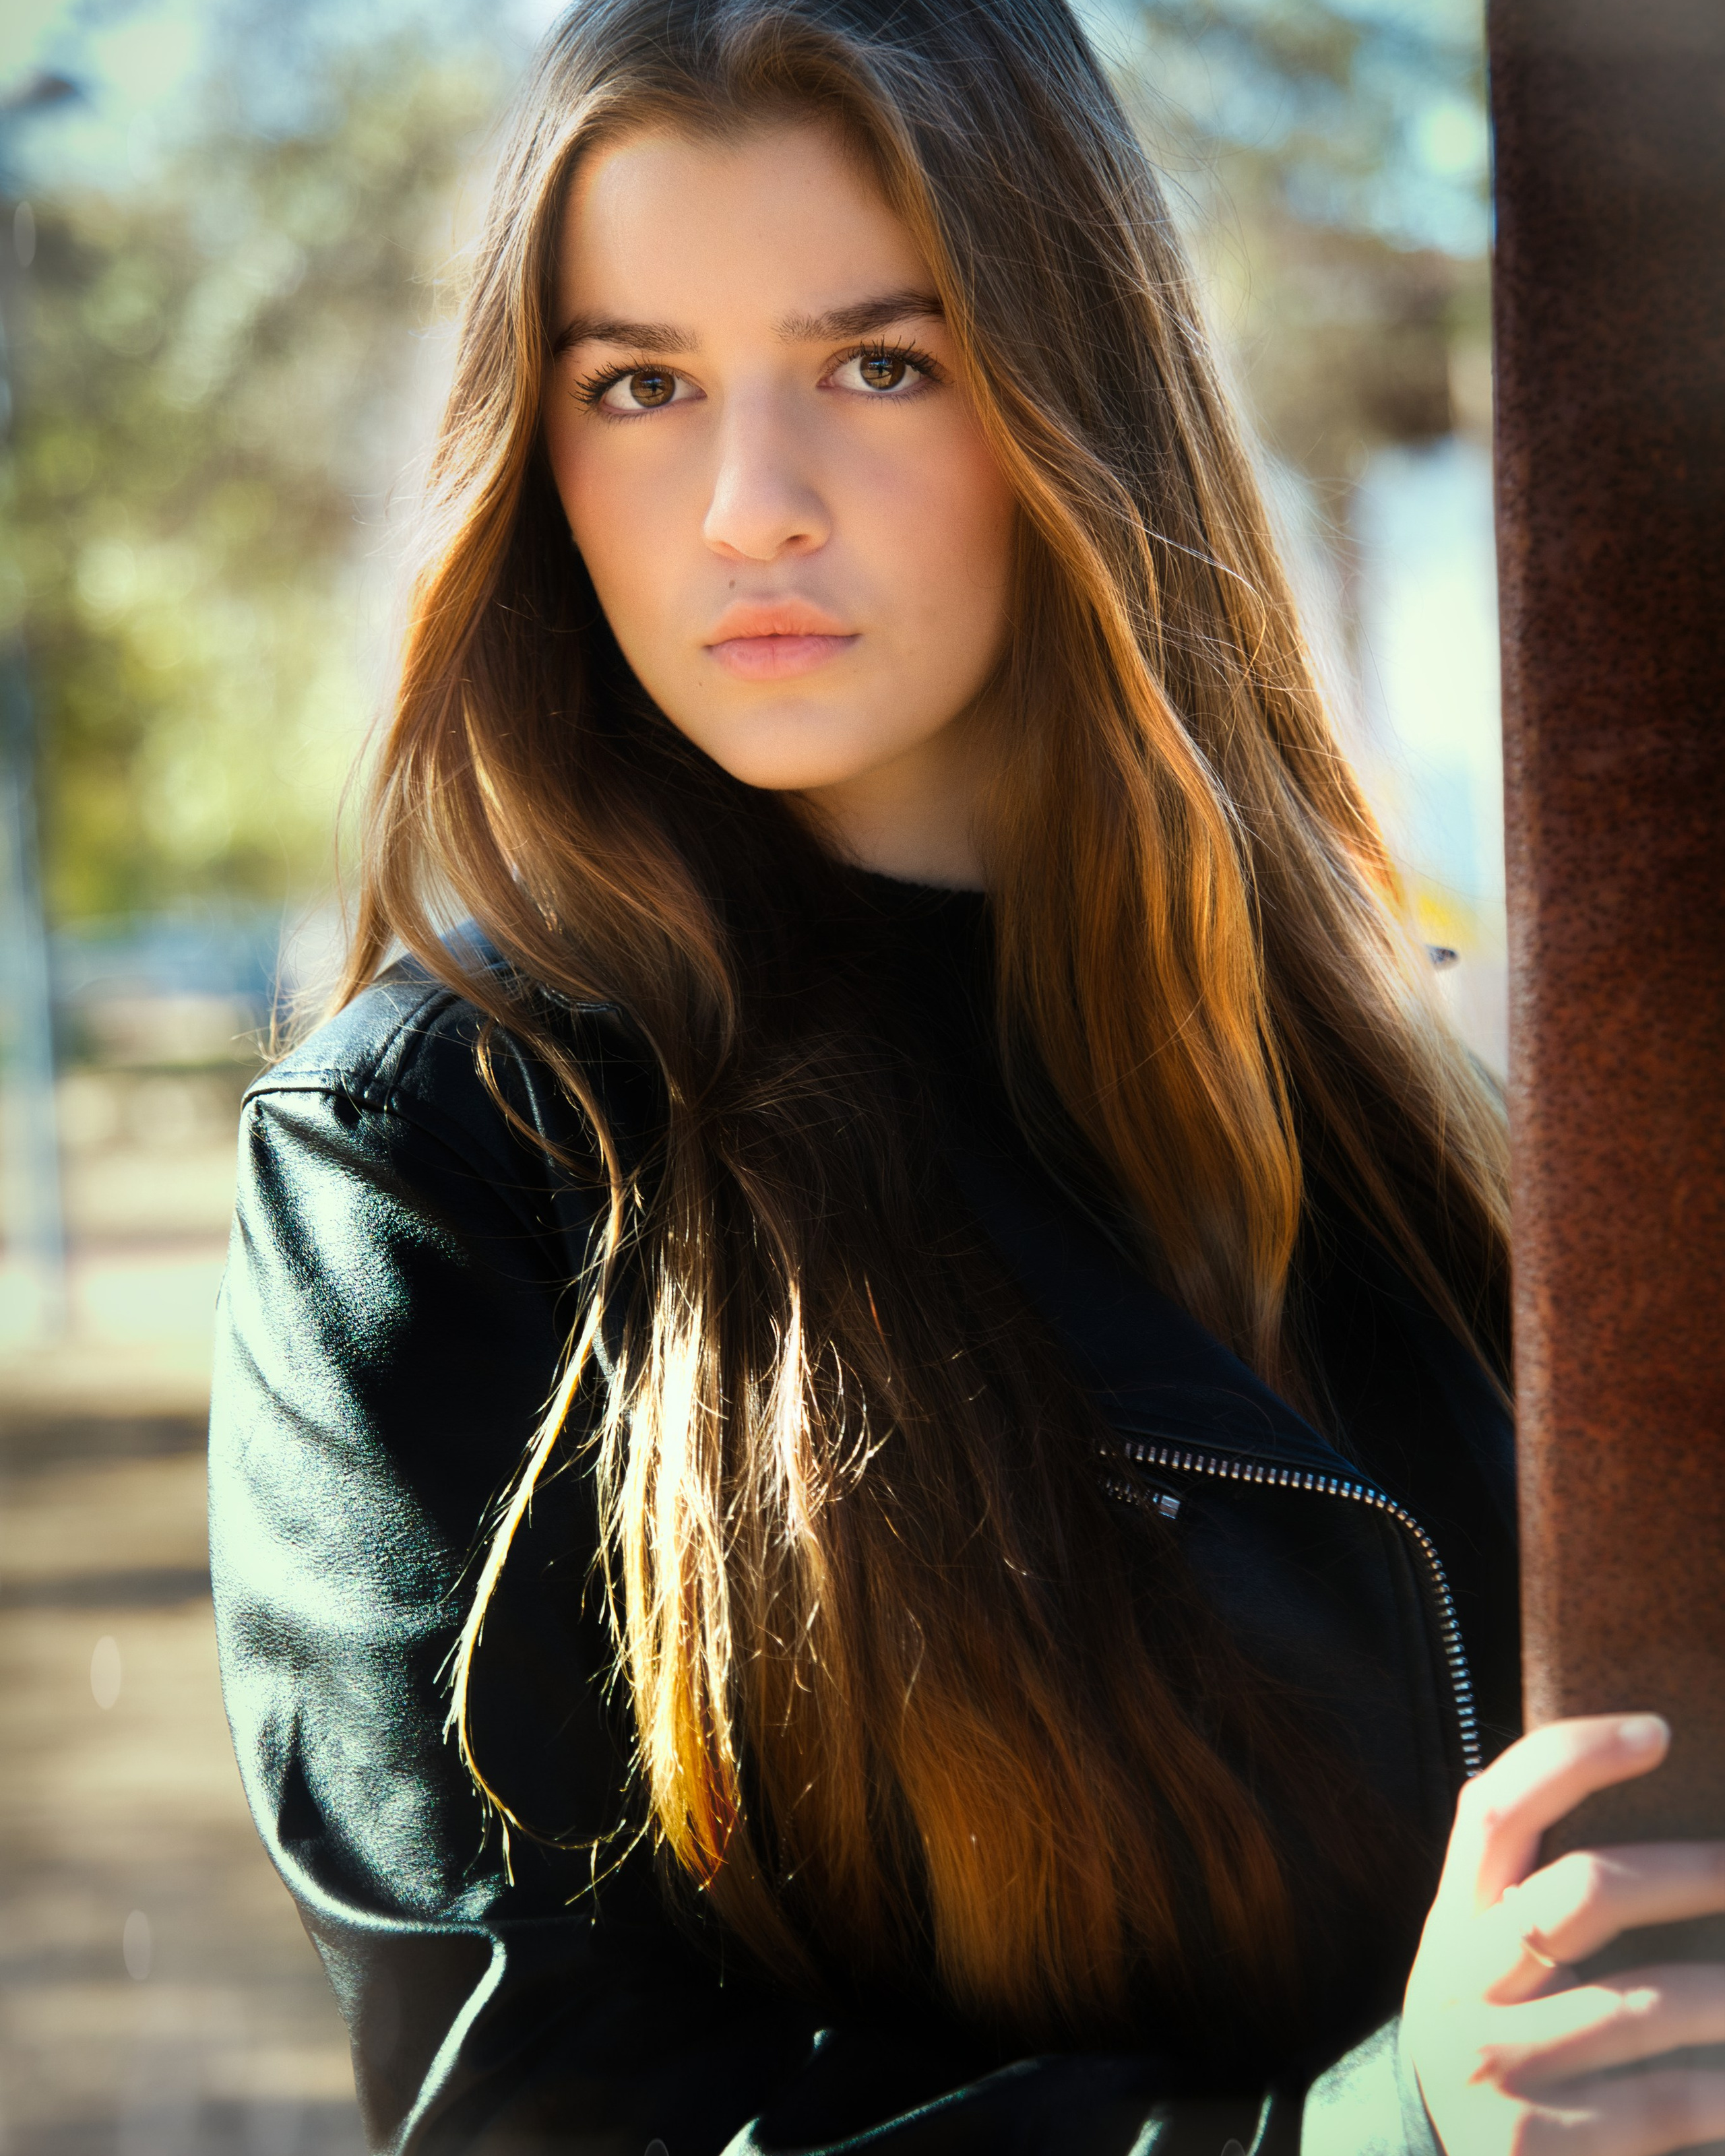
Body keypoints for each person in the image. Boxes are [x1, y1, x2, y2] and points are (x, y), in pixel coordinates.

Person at [207, 2, 1725, 2150]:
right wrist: (1377, 2123)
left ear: (1070, 394)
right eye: (640, 385)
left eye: (879, 363)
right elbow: (535, 2105)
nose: (750, 508)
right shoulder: (448, 1158)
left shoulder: (1446, 1080)